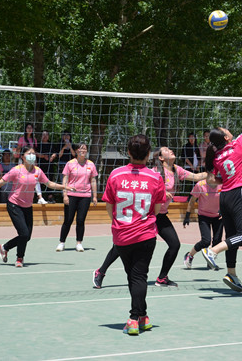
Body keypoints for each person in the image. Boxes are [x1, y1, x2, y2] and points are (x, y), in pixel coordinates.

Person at [93, 146, 207, 288]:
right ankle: (100, 272)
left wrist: (215, 170)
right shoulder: (154, 172)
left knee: (174, 245)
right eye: (166, 150)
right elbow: (144, 188)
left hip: (161, 215)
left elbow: (197, 177)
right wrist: (163, 192)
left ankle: (162, 277)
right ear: (160, 157)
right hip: (147, 215)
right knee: (120, 246)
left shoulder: (177, 170)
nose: (171, 150)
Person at [101, 134, 166, 335]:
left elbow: (109, 206)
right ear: (149, 154)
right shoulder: (156, 177)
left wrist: (120, 222)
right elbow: (157, 209)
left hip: (122, 235)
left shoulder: (115, 175)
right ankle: (140, 317)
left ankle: (135, 318)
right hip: (145, 234)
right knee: (138, 276)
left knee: (134, 276)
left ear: (128, 152)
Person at [201, 90, 242, 293]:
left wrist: (220, 178)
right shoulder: (238, 146)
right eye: (226, 129)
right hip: (237, 193)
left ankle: (231, 274)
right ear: (226, 137)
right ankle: (213, 251)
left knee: (232, 236)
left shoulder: (216, 157)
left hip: (224, 196)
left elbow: (213, 181)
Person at [0, 147, 74, 267]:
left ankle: (4, 247)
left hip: (27, 206)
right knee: (24, 233)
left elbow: (49, 184)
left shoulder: (37, 171)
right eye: (29, 153)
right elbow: (0, 182)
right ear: (23, 157)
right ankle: (19, 258)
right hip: (14, 204)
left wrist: (65, 187)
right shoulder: (16, 170)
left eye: (33, 153)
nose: (32, 155)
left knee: (27, 236)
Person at [56, 143, 98, 252]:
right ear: (76, 151)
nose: (83, 150)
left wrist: (95, 196)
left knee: (80, 220)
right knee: (68, 220)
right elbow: (65, 179)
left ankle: (79, 243)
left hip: (85, 196)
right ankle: (62, 242)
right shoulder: (70, 163)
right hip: (71, 195)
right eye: (80, 148)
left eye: (85, 149)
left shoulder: (91, 164)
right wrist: (65, 194)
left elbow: (93, 180)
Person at [182, 178, 223, 269]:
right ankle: (190, 255)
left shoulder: (222, 183)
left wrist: (224, 211)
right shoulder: (200, 185)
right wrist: (187, 215)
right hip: (204, 216)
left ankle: (210, 260)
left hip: (218, 216)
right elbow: (192, 201)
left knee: (217, 241)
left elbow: (227, 198)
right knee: (206, 241)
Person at [38, 130, 56, 203]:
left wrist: (53, 156)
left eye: (46, 135)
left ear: (48, 136)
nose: (45, 136)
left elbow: (55, 153)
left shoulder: (51, 144)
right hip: (41, 165)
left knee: (49, 180)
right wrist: (43, 156)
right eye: (43, 135)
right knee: (39, 182)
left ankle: (50, 197)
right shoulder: (38, 145)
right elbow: (35, 153)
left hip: (50, 166)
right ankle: (39, 198)